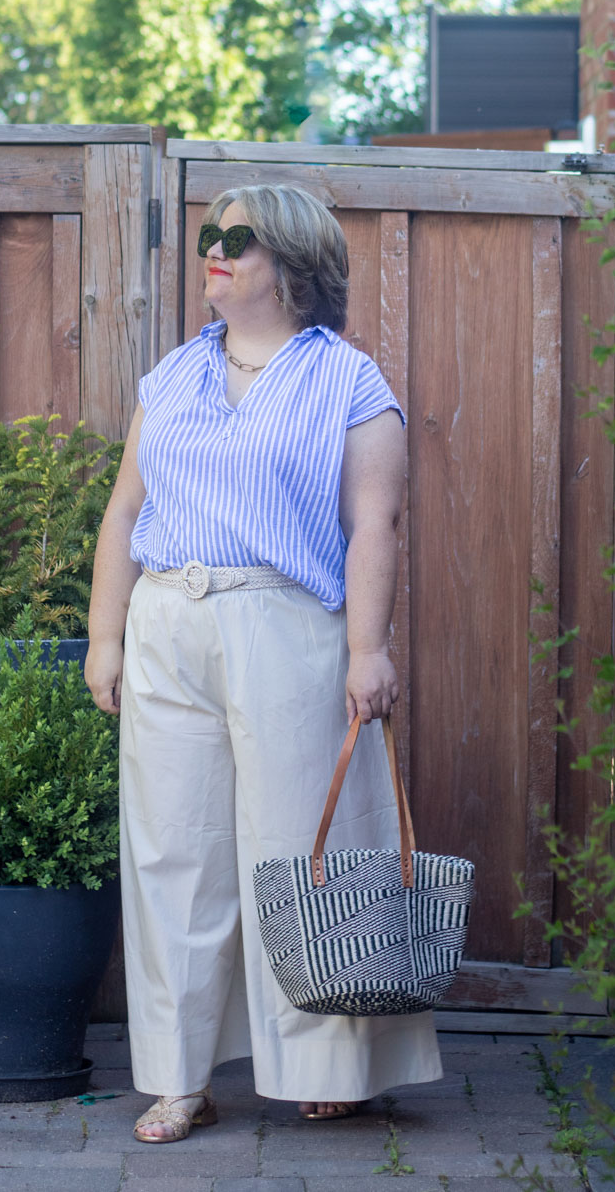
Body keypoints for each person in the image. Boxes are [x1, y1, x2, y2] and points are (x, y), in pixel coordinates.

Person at [85, 183, 442, 1144]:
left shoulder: (348, 380)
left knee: (305, 852)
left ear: (289, 261)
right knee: (174, 854)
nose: (214, 249)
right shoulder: (172, 378)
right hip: (170, 622)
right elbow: (125, 513)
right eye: (210, 234)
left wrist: (369, 650)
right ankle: (177, 1076)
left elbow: (377, 523)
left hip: (286, 625)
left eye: (235, 238)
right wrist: (105, 634)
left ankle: (332, 1063)